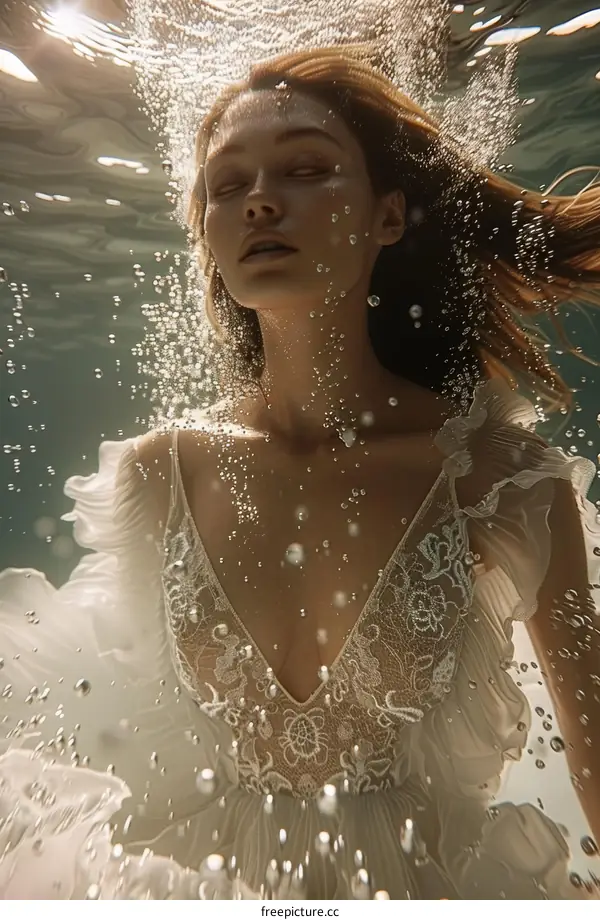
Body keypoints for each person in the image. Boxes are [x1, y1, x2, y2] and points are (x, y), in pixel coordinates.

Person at [1, 45, 600, 901]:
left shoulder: (503, 478)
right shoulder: (158, 473)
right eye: (226, 185)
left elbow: (593, 751)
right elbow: (94, 713)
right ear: (205, 232)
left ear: (387, 216)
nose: (260, 201)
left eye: (307, 169)